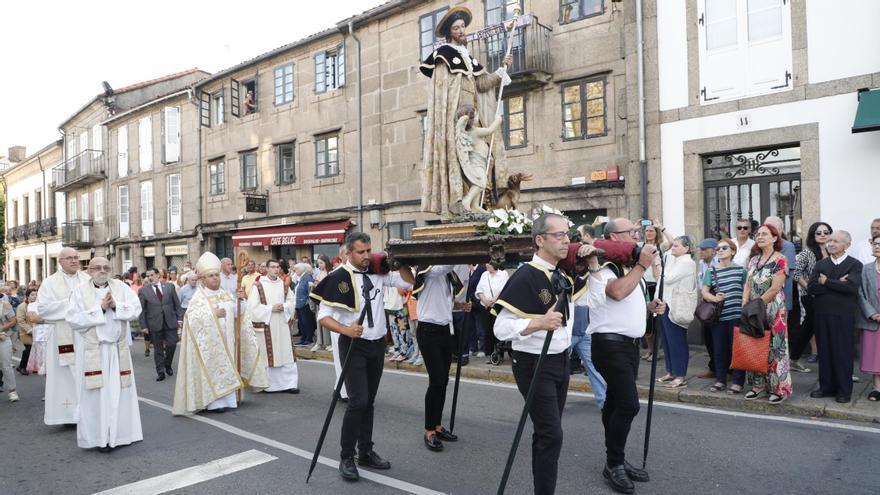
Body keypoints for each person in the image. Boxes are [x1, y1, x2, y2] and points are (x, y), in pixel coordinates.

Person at [494, 213, 594, 495]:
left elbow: (589, 301)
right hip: (533, 362)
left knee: (548, 432)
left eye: (567, 235)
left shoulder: (562, 274)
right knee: (551, 433)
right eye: (558, 235)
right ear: (540, 240)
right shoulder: (525, 276)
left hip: (560, 361)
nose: (566, 241)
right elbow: (500, 329)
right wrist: (537, 323)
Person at [311, 232, 414, 482]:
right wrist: (346, 329)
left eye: (369, 251)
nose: (367, 256)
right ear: (348, 253)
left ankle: (365, 451)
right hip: (353, 344)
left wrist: (401, 262)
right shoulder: (338, 278)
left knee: (369, 401)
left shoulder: (378, 272)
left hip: (377, 345)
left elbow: (408, 283)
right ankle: (347, 456)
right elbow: (322, 316)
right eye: (361, 252)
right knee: (358, 401)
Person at [586, 217, 665, 494]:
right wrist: (642, 265)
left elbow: (629, 301)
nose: (636, 235)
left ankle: (615, 457)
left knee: (614, 401)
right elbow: (617, 292)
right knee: (629, 405)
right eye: (631, 232)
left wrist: (649, 306)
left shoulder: (631, 267)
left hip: (629, 345)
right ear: (614, 237)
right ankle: (614, 463)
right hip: (609, 345)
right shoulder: (605, 265)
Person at [419, 6, 512, 219]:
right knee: (462, 163)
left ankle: (477, 202)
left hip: (475, 120)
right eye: (456, 28)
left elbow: (482, 83)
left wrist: (501, 70)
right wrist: (455, 117)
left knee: (482, 159)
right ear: (449, 32)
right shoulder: (444, 55)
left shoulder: (468, 57)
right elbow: (443, 92)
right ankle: (461, 203)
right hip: (457, 121)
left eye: (462, 27)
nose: (461, 31)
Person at [172, 252, 267, 415]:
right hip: (209, 346)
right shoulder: (199, 298)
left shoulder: (226, 294)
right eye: (211, 276)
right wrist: (212, 314)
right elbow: (191, 318)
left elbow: (239, 314)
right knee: (213, 369)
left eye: (217, 275)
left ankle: (230, 399)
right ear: (203, 279)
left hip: (228, 340)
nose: (215, 278)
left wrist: (240, 300)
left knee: (228, 366)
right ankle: (215, 402)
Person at [66, 257, 142, 451]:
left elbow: (136, 309)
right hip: (94, 351)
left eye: (106, 267)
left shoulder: (121, 288)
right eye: (97, 268)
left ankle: (122, 434)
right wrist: (100, 308)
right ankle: (98, 437)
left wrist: (116, 305)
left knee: (120, 393)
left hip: (117, 350)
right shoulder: (79, 291)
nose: (102, 270)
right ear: (89, 270)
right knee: (96, 396)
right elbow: (73, 319)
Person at [412, 264, 465, 451]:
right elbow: (441, 267)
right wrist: (459, 250)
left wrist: (459, 305)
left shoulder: (447, 275)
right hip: (428, 330)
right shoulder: (428, 269)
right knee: (436, 381)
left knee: (443, 381)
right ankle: (429, 429)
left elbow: (443, 302)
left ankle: (437, 424)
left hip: (445, 329)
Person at [36, 247, 90, 424]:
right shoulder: (50, 283)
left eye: (76, 257)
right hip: (61, 336)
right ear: (60, 262)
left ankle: (88, 411)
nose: (74, 261)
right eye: (69, 258)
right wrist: (72, 303)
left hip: (85, 334)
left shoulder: (87, 279)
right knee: (63, 377)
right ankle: (66, 416)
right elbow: (43, 309)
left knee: (85, 372)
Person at [808, 231, 862, 403]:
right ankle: (826, 387)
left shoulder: (854, 265)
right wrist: (838, 283)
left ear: (847, 244)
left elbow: (852, 288)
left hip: (843, 316)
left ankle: (843, 390)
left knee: (842, 352)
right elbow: (812, 288)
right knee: (824, 351)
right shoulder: (821, 264)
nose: (830, 243)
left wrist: (827, 282)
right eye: (830, 240)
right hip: (822, 314)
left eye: (835, 241)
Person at [743, 224, 792, 404]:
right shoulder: (753, 260)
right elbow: (748, 284)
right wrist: (745, 305)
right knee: (755, 345)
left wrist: (756, 305)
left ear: (774, 238)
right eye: (758, 234)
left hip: (773, 309)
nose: (760, 236)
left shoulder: (781, 259)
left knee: (776, 348)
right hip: (753, 309)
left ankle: (779, 388)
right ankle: (758, 386)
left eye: (765, 234)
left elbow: (775, 288)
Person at [701, 239, 747, 393]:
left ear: (733, 251)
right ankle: (720, 380)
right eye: (718, 248)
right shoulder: (711, 271)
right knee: (720, 350)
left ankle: (738, 382)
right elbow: (705, 291)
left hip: (737, 317)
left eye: (724, 248)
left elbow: (747, 292)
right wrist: (714, 298)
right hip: (719, 317)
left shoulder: (741, 271)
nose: (720, 250)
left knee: (737, 350)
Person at [247, 259, 299, 394]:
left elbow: (292, 301)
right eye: (273, 267)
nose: (276, 269)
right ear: (267, 269)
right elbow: (252, 307)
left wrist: (285, 307)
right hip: (267, 325)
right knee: (269, 354)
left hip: (282, 324)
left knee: (285, 351)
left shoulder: (284, 285)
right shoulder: (258, 286)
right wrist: (270, 309)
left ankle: (289, 383)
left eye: (278, 267)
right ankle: (268, 384)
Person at [656, 236, 697, 389]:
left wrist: (658, 268)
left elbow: (667, 278)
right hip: (665, 304)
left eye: (676, 246)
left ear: (686, 248)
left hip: (676, 306)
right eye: (672, 246)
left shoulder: (687, 262)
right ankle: (671, 371)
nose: (672, 248)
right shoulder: (674, 259)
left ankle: (680, 375)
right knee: (667, 341)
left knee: (677, 342)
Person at [791, 222, 832, 372]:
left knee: (809, 328)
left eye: (826, 232)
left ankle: (793, 359)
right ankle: (794, 359)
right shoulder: (806, 253)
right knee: (810, 328)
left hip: (828, 296)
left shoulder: (832, 251)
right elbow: (795, 273)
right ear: (812, 235)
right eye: (818, 233)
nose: (822, 235)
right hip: (810, 296)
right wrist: (810, 288)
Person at [138, 268, 184, 381]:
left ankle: (167, 364)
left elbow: (177, 304)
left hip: (170, 321)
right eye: (148, 275)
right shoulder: (144, 290)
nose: (150, 277)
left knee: (172, 344)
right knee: (158, 349)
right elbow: (142, 310)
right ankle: (160, 371)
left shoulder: (169, 287)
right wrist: (143, 326)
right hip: (154, 323)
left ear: (158, 275)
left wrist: (180, 319)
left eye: (152, 275)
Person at [857, 234, 880, 401]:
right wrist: (872, 313)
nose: (877, 247)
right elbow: (860, 293)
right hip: (872, 319)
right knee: (873, 355)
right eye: (875, 244)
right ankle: (877, 388)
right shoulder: (866, 269)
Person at [475, 261, 509, 360]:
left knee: (497, 330)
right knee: (487, 330)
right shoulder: (484, 274)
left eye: (488, 264)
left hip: (497, 307)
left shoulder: (503, 274)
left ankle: (499, 353)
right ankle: (489, 353)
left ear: (495, 264)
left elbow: (504, 290)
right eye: (486, 263)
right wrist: (485, 301)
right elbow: (479, 290)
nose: (486, 265)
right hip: (485, 307)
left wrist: (492, 301)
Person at [696, 238, 718, 379]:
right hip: (706, 301)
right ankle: (714, 367)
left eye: (705, 249)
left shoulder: (718, 262)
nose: (702, 252)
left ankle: (726, 370)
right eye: (701, 249)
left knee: (718, 338)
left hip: (717, 301)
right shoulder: (702, 263)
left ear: (714, 251)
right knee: (708, 337)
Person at [26, 292, 50, 376]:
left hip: (51, 333)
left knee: (51, 359)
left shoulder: (50, 304)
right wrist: (50, 319)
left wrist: (41, 318)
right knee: (43, 360)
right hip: (39, 335)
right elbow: (33, 319)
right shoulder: (32, 305)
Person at [312, 255, 333, 352]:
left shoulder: (330, 273)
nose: (319, 265)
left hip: (326, 300)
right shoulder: (319, 273)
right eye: (318, 263)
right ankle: (320, 342)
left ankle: (328, 342)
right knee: (319, 321)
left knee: (327, 321)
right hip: (319, 300)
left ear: (326, 262)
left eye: (321, 263)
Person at [0, 297, 19, 402]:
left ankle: (12, 391)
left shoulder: (5, 305)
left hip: (3, 338)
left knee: (6, 365)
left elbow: (13, 321)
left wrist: (2, 328)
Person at [293, 263, 316, 347]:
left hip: (305, 304)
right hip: (299, 304)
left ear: (301, 269)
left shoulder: (307, 277)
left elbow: (310, 291)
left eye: (296, 269)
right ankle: (303, 338)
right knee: (302, 323)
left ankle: (308, 339)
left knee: (307, 322)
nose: (295, 271)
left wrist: (307, 301)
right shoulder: (300, 278)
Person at [15, 289, 37, 376]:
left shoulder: (39, 305)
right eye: (32, 295)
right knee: (29, 348)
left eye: (36, 295)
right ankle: (22, 366)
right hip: (26, 333)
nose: (35, 296)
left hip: (39, 331)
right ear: (27, 296)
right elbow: (21, 321)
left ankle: (34, 366)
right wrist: (30, 330)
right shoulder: (22, 306)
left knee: (36, 349)